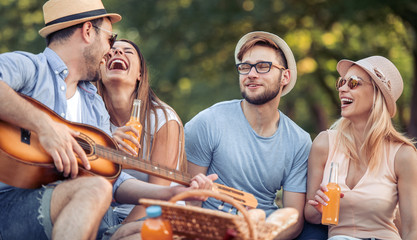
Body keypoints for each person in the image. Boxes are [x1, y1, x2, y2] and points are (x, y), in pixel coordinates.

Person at [0, 0, 217, 239]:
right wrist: (44, 126)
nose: (109, 50)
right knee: (96, 187)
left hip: (86, 211)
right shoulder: (30, 68)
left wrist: (174, 194)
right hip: (13, 205)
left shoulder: (94, 104)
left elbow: (113, 178)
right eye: (110, 39)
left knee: (160, 234)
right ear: (88, 31)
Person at [184, 31, 311, 239]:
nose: (251, 74)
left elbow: (293, 219)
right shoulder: (207, 122)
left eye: (263, 66)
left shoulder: (299, 141)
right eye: (245, 67)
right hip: (209, 230)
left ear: (285, 77)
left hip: (263, 232)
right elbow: (188, 201)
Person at [305, 56, 417, 239]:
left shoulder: (403, 154)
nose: (342, 88)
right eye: (341, 82)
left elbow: (412, 229)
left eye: (353, 83)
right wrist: (319, 208)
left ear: (377, 94)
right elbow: (310, 214)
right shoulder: (324, 143)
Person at [96, 39, 187, 223]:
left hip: (157, 215)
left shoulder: (163, 119)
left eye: (127, 51)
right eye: (110, 52)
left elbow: (157, 197)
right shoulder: (93, 118)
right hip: (107, 215)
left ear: (139, 73)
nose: (117, 53)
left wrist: (119, 233)